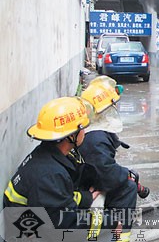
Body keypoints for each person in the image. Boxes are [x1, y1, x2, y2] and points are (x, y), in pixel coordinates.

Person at [3, 97, 105, 240]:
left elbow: (59, 199)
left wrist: (87, 198)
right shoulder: (50, 175)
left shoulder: (46, 155)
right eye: (83, 127)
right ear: (71, 136)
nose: (85, 131)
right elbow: (67, 227)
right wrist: (109, 222)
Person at [80, 76, 147, 242]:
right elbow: (107, 174)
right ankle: (120, 234)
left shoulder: (92, 131)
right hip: (87, 189)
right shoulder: (96, 139)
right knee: (129, 188)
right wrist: (126, 175)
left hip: (87, 181)